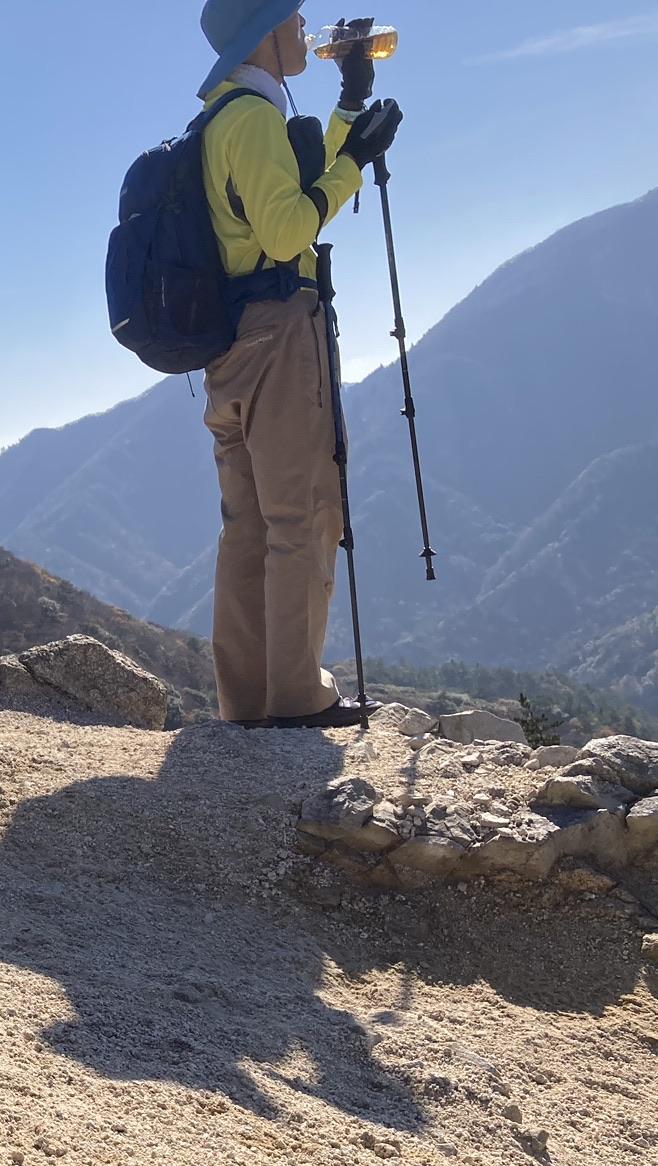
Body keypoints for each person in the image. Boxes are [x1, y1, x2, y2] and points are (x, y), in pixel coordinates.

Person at [194, 1, 400, 728]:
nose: (305, 32)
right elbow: (288, 231)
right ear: (267, 31)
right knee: (303, 513)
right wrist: (354, 165)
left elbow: (298, 188)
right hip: (281, 333)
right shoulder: (250, 117)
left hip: (233, 345)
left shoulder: (227, 115)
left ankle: (247, 702)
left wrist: (350, 105)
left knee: (247, 523)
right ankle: (296, 698)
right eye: (296, 18)